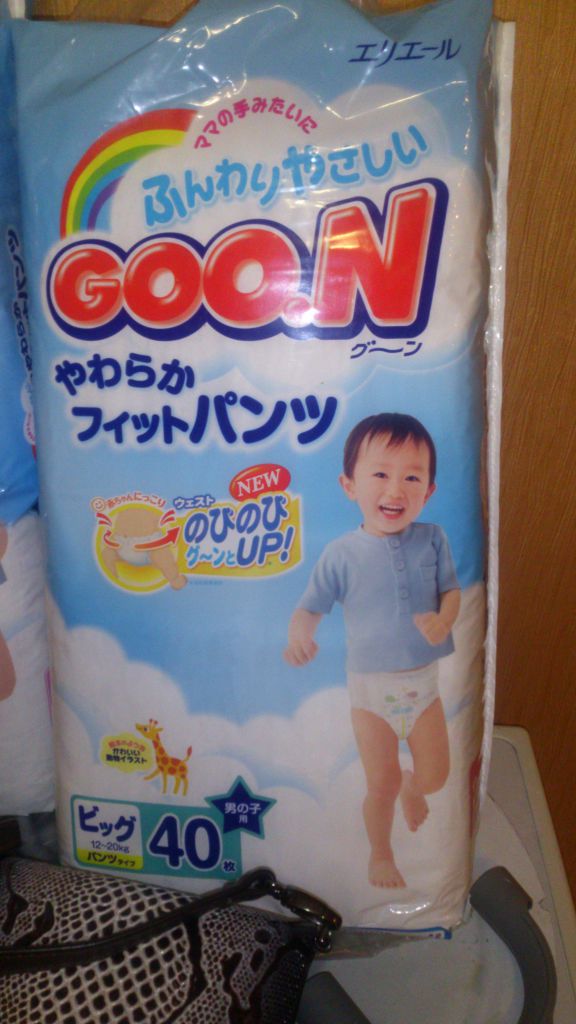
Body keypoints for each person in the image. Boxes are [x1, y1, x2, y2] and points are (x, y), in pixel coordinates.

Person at [284, 413, 461, 888]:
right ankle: (381, 855)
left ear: (429, 491)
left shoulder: (433, 539)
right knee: (380, 783)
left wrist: (444, 618)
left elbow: (451, 591)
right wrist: (300, 636)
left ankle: (413, 787)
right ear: (349, 485)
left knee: (437, 775)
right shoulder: (340, 553)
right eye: (381, 473)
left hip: (423, 686)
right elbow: (309, 607)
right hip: (369, 692)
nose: (395, 489)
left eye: (412, 478)